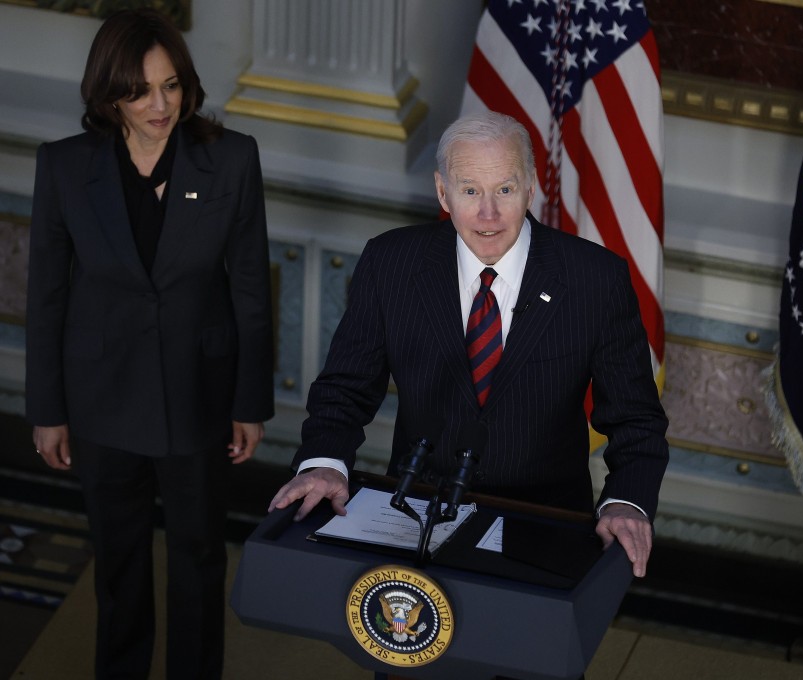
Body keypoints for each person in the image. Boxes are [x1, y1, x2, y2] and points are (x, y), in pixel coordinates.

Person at [270, 111, 668, 579]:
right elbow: (345, 389)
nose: (488, 214)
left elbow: (636, 419)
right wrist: (324, 462)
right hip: (413, 513)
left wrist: (627, 501)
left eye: (504, 189)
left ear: (531, 187)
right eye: (470, 191)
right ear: (443, 192)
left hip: (543, 524)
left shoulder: (594, 280)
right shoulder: (391, 263)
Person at [26, 9, 275, 679]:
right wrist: (48, 410)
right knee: (118, 561)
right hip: (100, 398)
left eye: (171, 85)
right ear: (108, 95)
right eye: (140, 91)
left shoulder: (232, 159)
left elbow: (252, 291)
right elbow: (46, 298)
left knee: (198, 559)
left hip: (200, 394)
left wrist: (249, 403)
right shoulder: (63, 167)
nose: (160, 105)